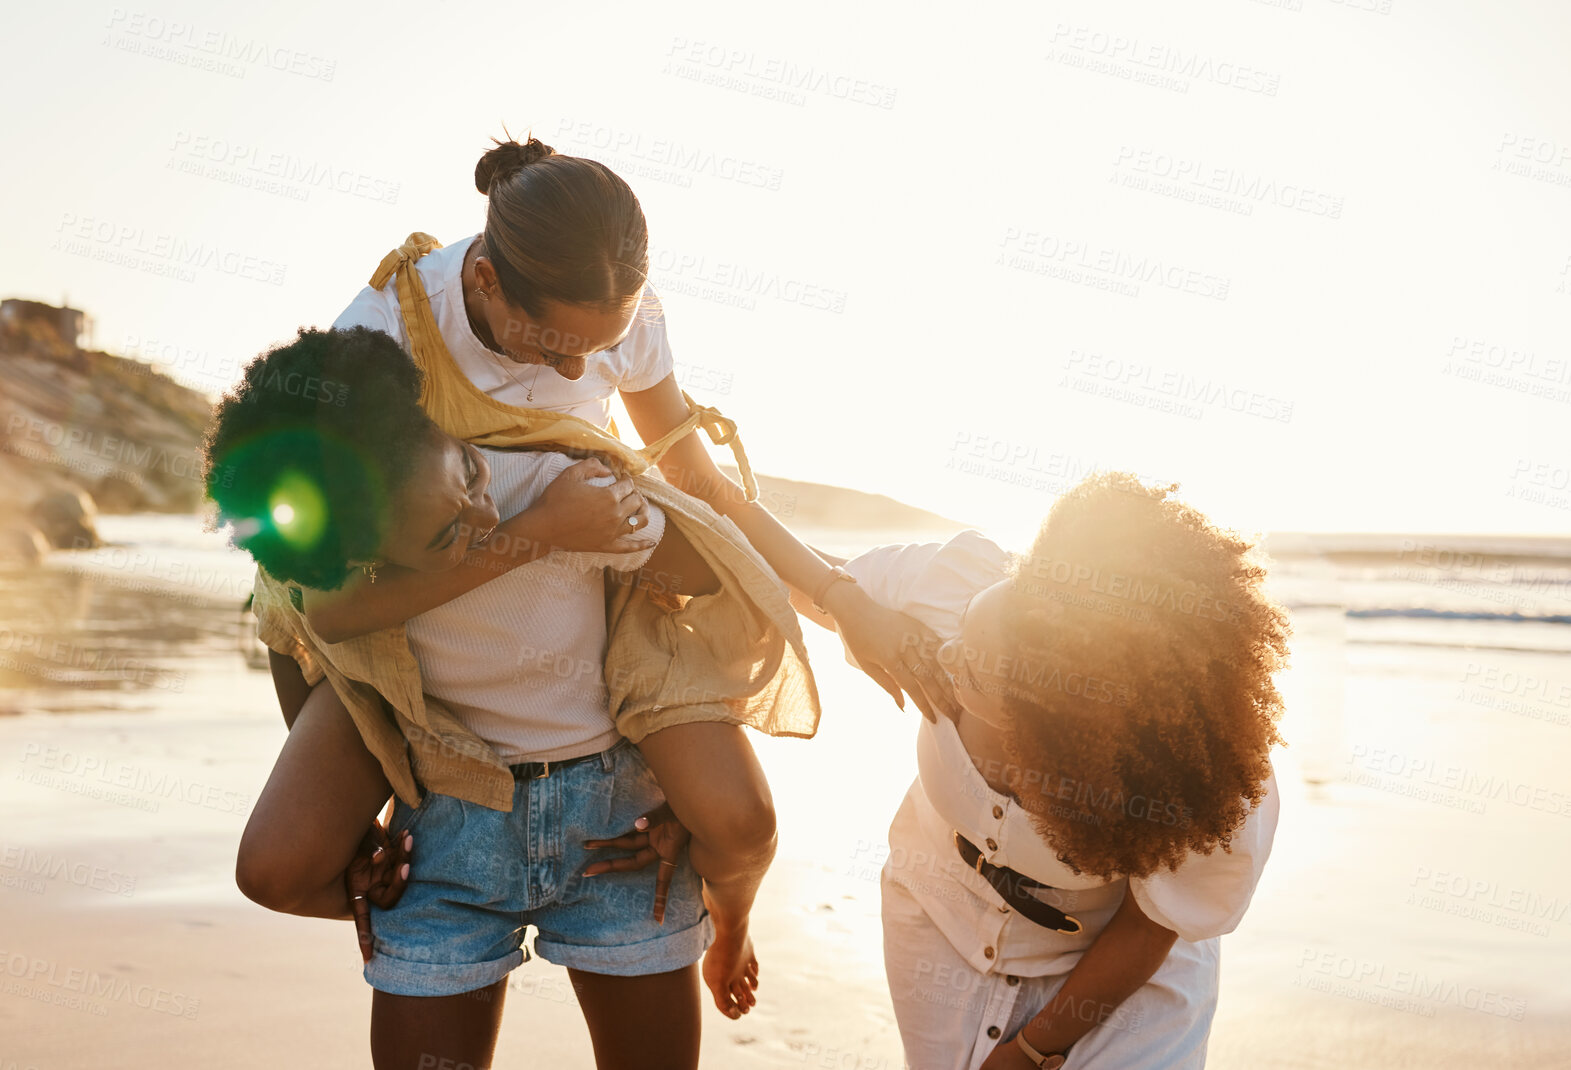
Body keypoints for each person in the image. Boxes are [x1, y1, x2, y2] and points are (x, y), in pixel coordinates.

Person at [232, 134, 954, 1026]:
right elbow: (315, 603)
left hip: (587, 619)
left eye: (601, 349)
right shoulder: (380, 343)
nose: (583, 376)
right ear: (487, 283)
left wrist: (846, 605)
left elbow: (699, 487)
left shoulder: (623, 319)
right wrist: (537, 536)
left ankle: (728, 917)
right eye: (561, 351)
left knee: (737, 817)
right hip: (411, 638)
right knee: (286, 855)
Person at [209, 326, 786, 1069]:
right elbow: (295, 640)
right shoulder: (343, 576)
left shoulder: (553, 476)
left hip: (611, 826)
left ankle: (728, 920)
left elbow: (712, 572)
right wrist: (360, 837)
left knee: (745, 825)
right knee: (270, 872)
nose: (484, 518)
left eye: (469, 475)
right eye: (450, 533)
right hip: (448, 840)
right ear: (369, 565)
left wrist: (604, 521)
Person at [792, 473, 1286, 1069]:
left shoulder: (1197, 788)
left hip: (1119, 964)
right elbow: (808, 579)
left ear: (1053, 719)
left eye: (974, 666)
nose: (945, 653)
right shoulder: (963, 593)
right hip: (939, 920)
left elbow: (1146, 930)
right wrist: (699, 496)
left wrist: (1030, 1050)